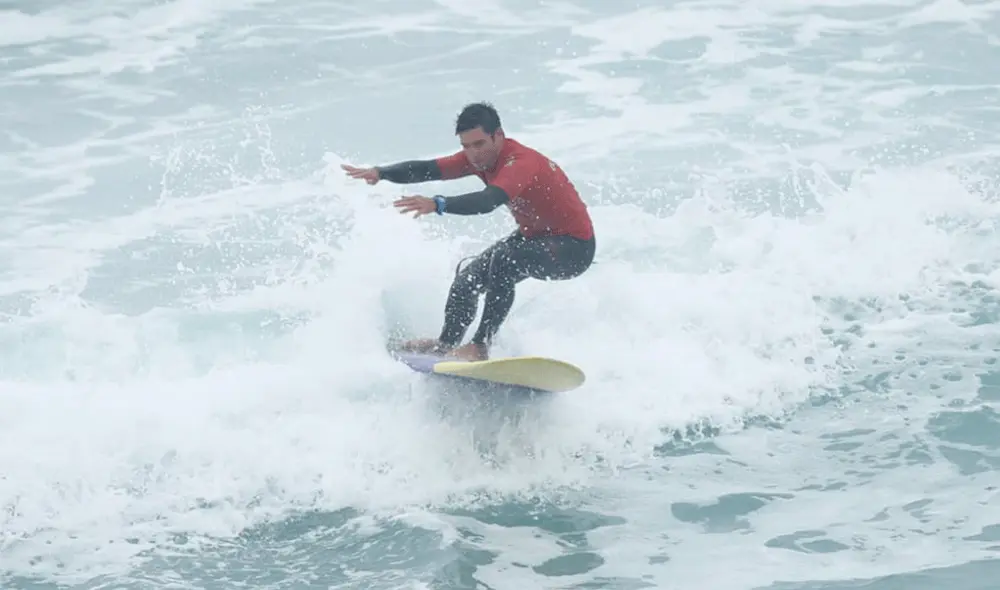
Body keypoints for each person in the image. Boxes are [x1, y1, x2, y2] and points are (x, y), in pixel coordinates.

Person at [341, 102, 595, 361]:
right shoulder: (479, 159)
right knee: (468, 279)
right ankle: (445, 345)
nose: (473, 154)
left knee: (505, 260)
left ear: (498, 135)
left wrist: (438, 204)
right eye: (465, 146)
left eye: (479, 144)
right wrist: (381, 173)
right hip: (536, 237)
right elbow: (427, 169)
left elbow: (488, 201)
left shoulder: (520, 162)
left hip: (573, 249)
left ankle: (480, 346)